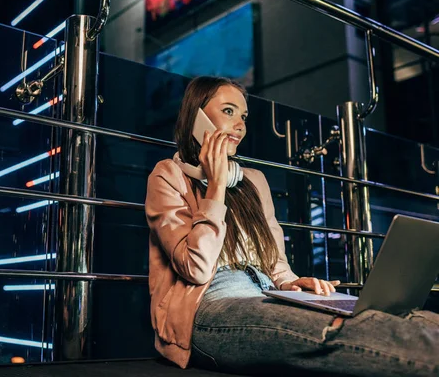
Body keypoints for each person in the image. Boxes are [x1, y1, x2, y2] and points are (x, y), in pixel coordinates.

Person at [144, 76, 439, 377]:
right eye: (229, 111)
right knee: (338, 330)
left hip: (266, 292)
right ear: (197, 118)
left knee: (393, 314)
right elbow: (196, 267)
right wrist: (216, 185)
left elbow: (275, 263)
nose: (240, 125)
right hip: (210, 306)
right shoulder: (168, 176)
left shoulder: (253, 181)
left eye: (243, 116)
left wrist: (291, 284)